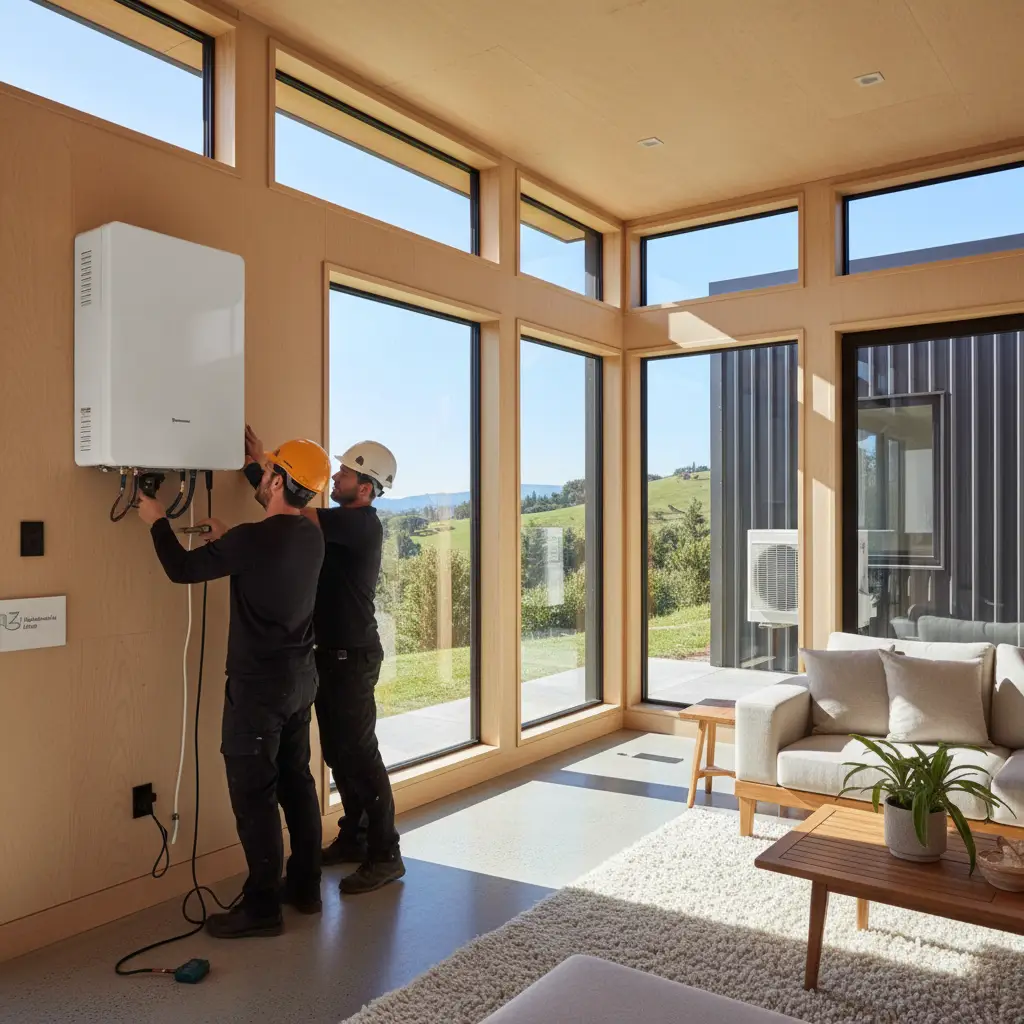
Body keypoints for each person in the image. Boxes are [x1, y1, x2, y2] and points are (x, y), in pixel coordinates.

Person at [136, 439, 331, 938]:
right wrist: (234, 528)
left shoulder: (251, 540)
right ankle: (306, 888)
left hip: (257, 691)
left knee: (254, 795)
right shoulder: (311, 535)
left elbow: (181, 569)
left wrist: (155, 518)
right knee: (297, 782)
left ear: (280, 481)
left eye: (269, 472)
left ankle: (263, 907)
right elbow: (266, 542)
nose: (263, 477)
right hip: (299, 681)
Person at [244, 426, 404, 894]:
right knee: (337, 753)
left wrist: (265, 469)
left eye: (345, 473)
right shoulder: (341, 524)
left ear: (367, 488)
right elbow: (283, 513)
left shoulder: (358, 524)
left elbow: (286, 510)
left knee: (359, 754)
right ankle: (355, 838)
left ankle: (385, 853)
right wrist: (261, 467)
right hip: (333, 655)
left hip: (352, 657)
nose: (334, 477)